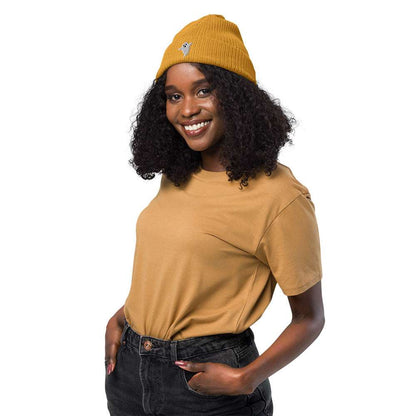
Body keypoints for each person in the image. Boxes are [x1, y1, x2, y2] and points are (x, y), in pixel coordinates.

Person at [104, 14, 325, 416]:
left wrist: (247, 377)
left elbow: (309, 318)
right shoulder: (178, 174)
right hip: (130, 373)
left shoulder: (280, 197)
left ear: (236, 96)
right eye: (174, 96)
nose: (187, 109)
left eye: (202, 91)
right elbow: (177, 267)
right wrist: (122, 318)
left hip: (206, 383)